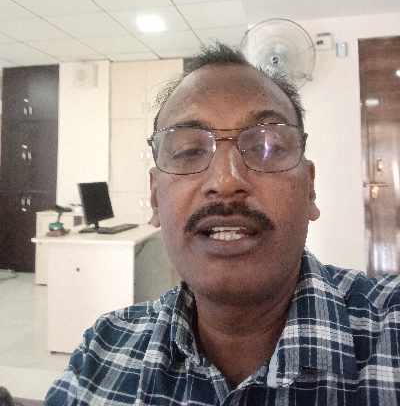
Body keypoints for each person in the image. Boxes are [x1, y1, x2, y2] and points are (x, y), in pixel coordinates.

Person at [46, 43, 400, 405]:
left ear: (309, 188)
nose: (226, 180)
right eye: (189, 150)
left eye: (266, 146)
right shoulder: (102, 352)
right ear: (155, 197)